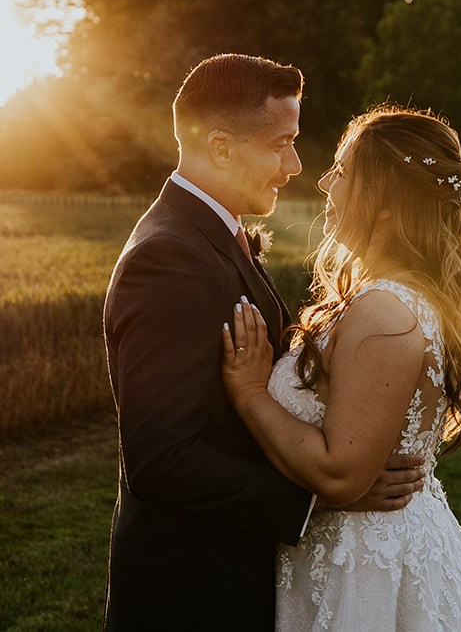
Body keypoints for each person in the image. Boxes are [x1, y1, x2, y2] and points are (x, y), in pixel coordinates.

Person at [103, 55, 423, 631]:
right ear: (221, 147)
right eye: (282, 143)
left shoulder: (212, 235)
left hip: (236, 573)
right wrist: (324, 493)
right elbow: (161, 459)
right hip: (194, 593)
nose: (296, 165)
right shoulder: (168, 258)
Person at [221, 106, 461, 630]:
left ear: (387, 204)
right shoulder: (393, 300)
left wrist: (248, 394)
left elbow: (340, 472)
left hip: (370, 572)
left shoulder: (385, 312)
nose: (326, 181)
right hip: (360, 550)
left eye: (344, 171)